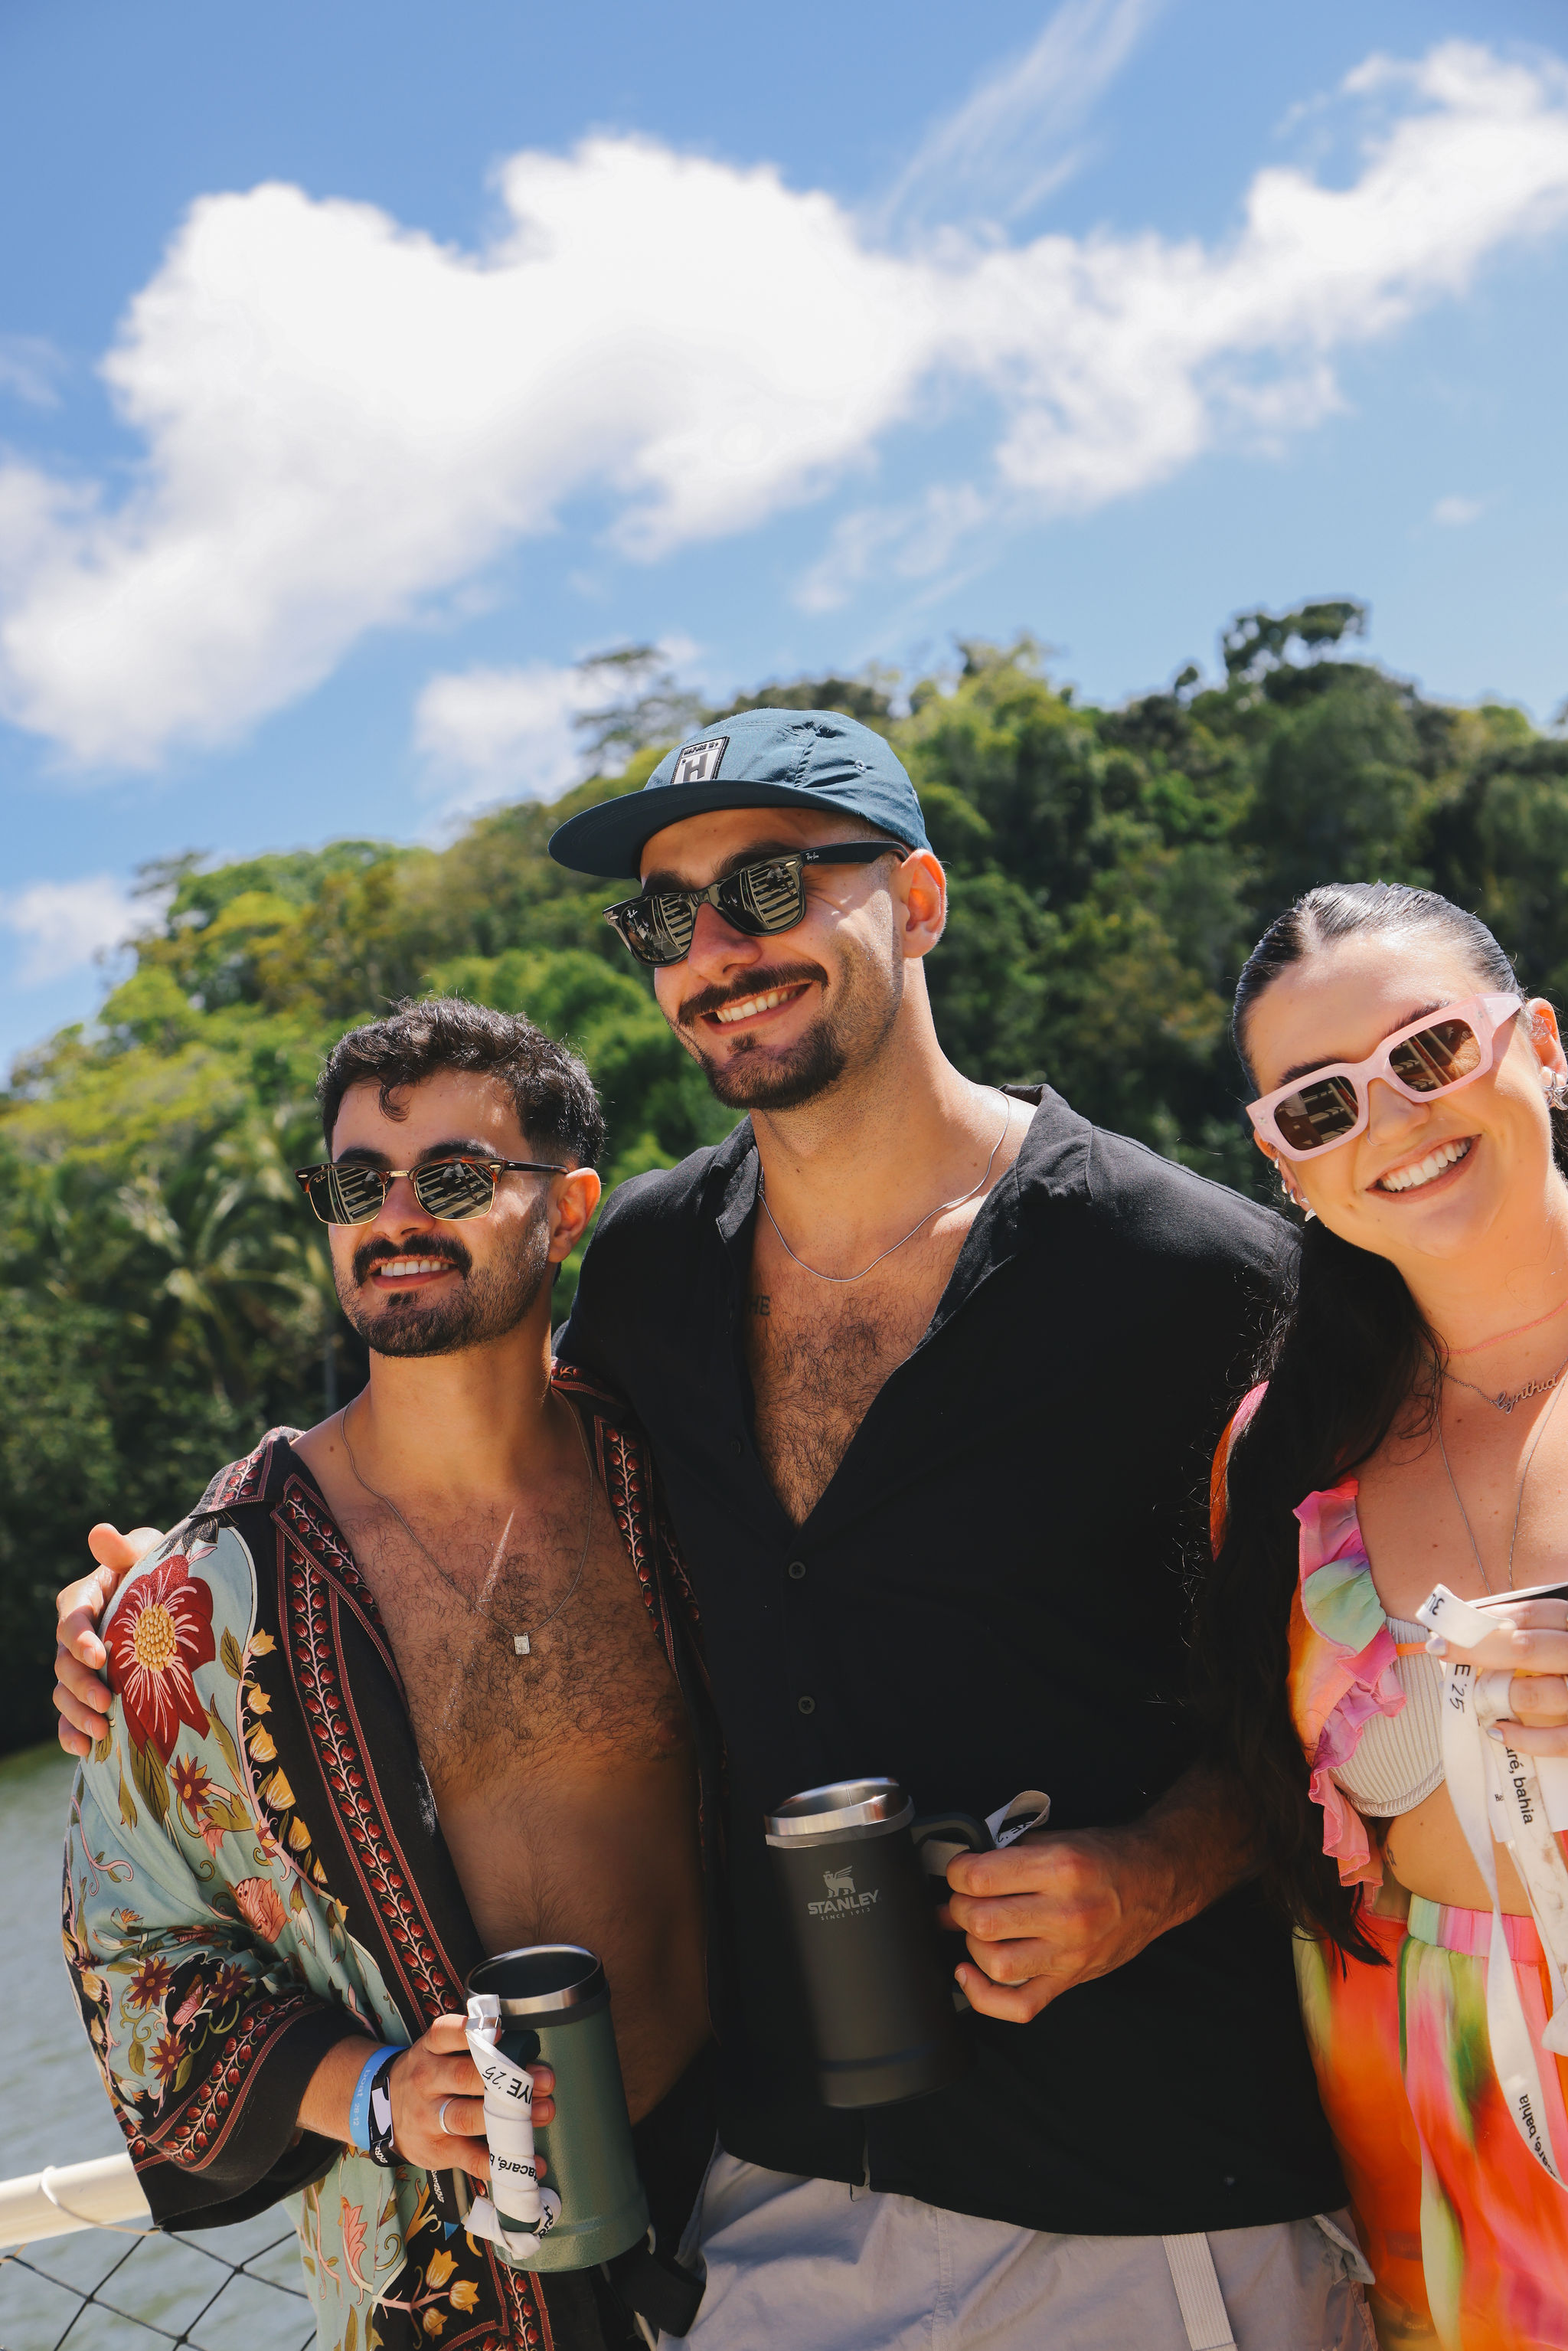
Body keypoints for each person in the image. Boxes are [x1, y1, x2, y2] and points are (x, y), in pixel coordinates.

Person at [57, 711, 1372, 2349]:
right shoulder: (653, 1273)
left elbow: (1364, 1688)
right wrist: (159, 1595)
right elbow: (460, 1435)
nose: (716, 951)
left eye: (765, 886)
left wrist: (1157, 1871)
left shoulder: (1194, 1272)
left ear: (918, 897)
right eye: (665, 917)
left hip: (1145, 2186)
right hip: (777, 2211)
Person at [55, 1002, 719, 2351]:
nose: (396, 1217)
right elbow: (126, 1954)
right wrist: (372, 2092)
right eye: (359, 1184)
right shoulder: (200, 1602)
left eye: (454, 1179)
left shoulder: (678, 1473)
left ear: (567, 1207)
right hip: (451, 2294)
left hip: (765, 2220)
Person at [1202, 881, 1568, 2349]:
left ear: (1543, 1044)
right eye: (1320, 1103)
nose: (1393, 1118)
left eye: (1428, 1051)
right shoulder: (1280, 1458)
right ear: (1283, 1163)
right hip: (1452, 2184)